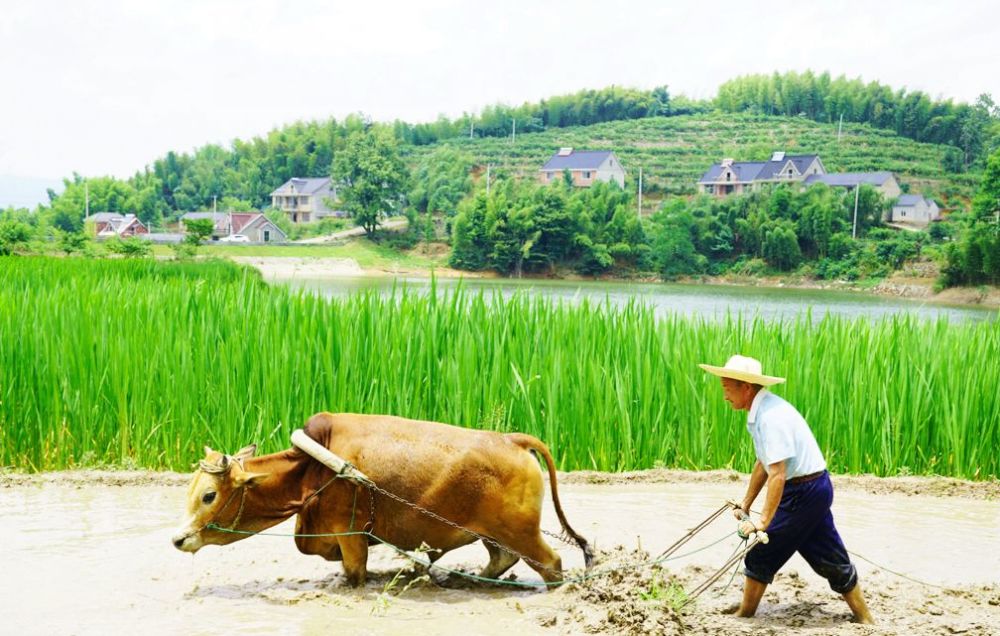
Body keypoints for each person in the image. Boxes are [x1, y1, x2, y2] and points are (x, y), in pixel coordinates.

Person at [698, 354, 874, 624]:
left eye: (726, 389)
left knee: (761, 551)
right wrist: (746, 504)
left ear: (745, 387)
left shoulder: (771, 417)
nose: (724, 396)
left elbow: (777, 475)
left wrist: (762, 523)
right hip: (812, 489)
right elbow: (763, 463)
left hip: (803, 491)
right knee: (828, 554)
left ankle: (745, 614)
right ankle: (865, 618)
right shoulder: (759, 411)